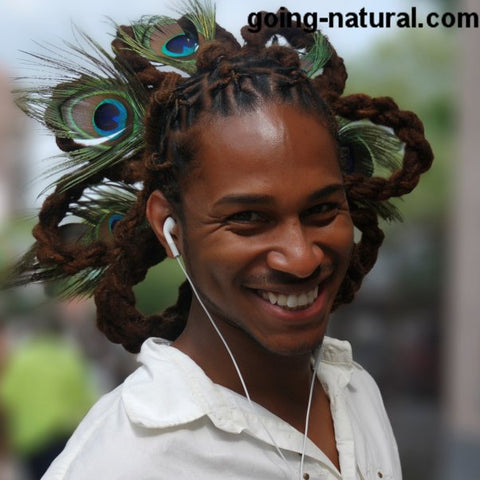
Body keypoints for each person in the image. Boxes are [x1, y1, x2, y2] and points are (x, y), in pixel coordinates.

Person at [6, 2, 433, 479]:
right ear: (170, 228)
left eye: (321, 210)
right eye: (248, 218)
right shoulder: (124, 462)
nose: (301, 256)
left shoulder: (356, 391)